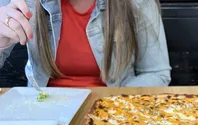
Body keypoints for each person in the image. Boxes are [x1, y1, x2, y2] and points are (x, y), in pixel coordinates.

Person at [0, 0, 171, 87]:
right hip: (42, 113)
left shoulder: (138, 3)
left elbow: (157, 73)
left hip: (112, 114)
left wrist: (111, 103)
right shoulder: (21, 2)